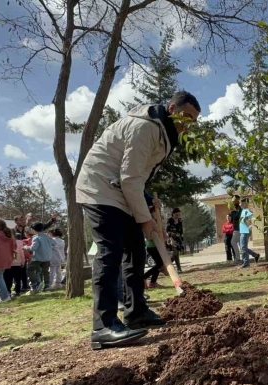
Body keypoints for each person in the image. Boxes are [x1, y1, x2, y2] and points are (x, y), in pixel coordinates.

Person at [76, 90, 200, 349]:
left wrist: (144, 198)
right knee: (110, 251)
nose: (188, 125)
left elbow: (133, 175)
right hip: (101, 189)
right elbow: (129, 176)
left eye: (194, 121)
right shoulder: (146, 127)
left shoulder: (163, 132)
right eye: (186, 116)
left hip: (120, 187)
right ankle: (104, 325)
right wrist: (145, 219)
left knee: (136, 252)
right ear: (171, 108)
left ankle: (136, 312)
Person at [23, 222, 54, 295]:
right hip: (47, 257)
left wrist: (25, 247)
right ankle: (47, 285)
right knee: (45, 271)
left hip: (38, 257)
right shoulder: (47, 236)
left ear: (33, 230)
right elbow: (54, 243)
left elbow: (33, 248)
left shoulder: (36, 237)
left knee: (30, 269)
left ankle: (35, 284)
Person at [145, 203, 166, 288]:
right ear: (151, 213)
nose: (158, 214)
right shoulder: (150, 221)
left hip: (157, 246)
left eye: (159, 212)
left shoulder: (157, 221)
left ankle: (153, 282)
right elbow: (157, 231)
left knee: (159, 264)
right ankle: (144, 277)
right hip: (152, 246)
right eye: (156, 212)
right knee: (159, 264)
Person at [237, 199, 261, 268]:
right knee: (243, 247)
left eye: (241, 203)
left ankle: (246, 263)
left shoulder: (247, 210)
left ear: (244, 203)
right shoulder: (243, 210)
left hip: (246, 230)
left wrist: (246, 218)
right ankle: (255, 255)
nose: (240, 205)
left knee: (243, 247)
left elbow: (250, 214)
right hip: (243, 230)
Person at [166, 208, 184, 273]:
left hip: (179, 239)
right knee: (175, 253)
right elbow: (167, 230)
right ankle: (166, 266)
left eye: (179, 215)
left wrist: (182, 239)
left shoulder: (180, 220)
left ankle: (179, 268)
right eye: (176, 214)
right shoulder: (169, 220)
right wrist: (170, 237)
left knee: (177, 254)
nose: (177, 216)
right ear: (173, 214)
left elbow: (181, 230)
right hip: (172, 238)